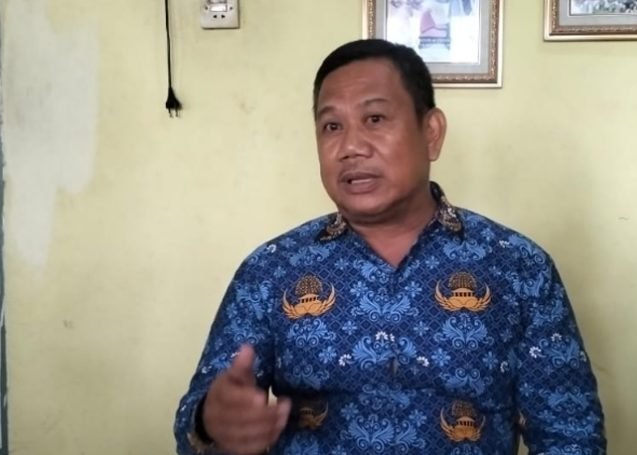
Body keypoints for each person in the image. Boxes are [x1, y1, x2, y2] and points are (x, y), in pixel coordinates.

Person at [174, 38, 606, 455]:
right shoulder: (271, 270)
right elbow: (193, 431)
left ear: (431, 133)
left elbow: (571, 435)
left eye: (375, 119)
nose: (350, 147)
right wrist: (211, 423)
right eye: (331, 126)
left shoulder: (518, 267)